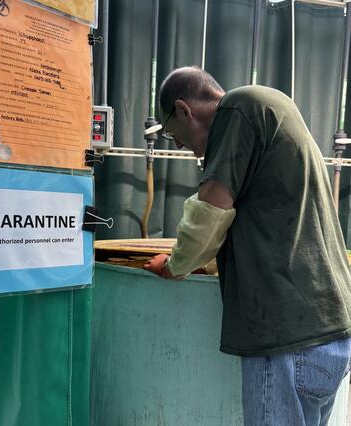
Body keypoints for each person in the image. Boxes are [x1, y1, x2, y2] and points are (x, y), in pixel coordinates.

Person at [143, 66, 351, 425]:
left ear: (183, 109)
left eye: (173, 134)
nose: (178, 145)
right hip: (326, 328)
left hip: (285, 336)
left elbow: (211, 207)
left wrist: (175, 265)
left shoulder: (238, 109)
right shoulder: (271, 106)